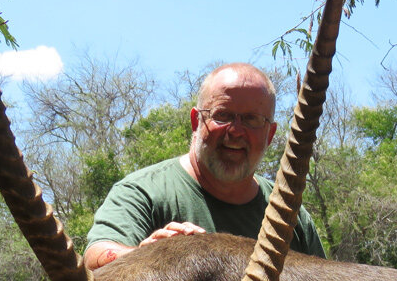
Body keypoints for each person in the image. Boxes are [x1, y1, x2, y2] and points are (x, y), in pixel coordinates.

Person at [84, 63, 326, 269]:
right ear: (195, 121)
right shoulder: (143, 191)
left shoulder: (290, 214)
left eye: (252, 119)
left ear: (270, 134)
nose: (236, 131)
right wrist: (147, 256)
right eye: (223, 115)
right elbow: (95, 255)